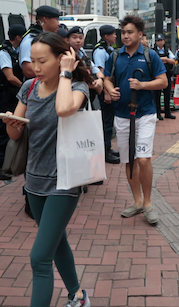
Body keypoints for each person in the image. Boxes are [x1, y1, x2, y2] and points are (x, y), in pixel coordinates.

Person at [0, 33, 94, 307]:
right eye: (33, 61)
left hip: (65, 181)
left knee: (40, 257)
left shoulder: (77, 87)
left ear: (62, 58)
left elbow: (64, 109)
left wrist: (66, 72)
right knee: (57, 242)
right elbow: (15, 136)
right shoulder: (29, 87)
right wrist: (11, 124)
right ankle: (78, 295)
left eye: (43, 61)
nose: (36, 68)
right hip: (34, 180)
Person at [104, 15, 168, 225]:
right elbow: (107, 78)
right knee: (129, 160)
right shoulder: (115, 56)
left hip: (145, 114)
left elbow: (163, 82)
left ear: (140, 34)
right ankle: (137, 201)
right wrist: (109, 90)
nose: (125, 36)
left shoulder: (150, 55)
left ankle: (148, 203)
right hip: (121, 116)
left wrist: (142, 86)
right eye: (123, 32)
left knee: (143, 158)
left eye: (130, 32)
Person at [0, 24, 26, 180]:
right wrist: (26, 87)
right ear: (18, 37)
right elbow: (10, 77)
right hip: (6, 94)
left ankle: (8, 164)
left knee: (13, 127)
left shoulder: (15, 51)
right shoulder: (4, 53)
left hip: (13, 94)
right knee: (3, 130)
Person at [92, 25, 120, 164]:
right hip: (105, 92)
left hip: (109, 89)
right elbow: (101, 73)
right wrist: (107, 93)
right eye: (113, 34)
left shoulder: (108, 49)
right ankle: (104, 151)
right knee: (106, 122)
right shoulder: (100, 51)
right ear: (106, 36)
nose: (116, 37)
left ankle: (108, 148)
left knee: (109, 121)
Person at [19, 5, 62, 79]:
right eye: (56, 19)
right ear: (45, 19)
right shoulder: (30, 39)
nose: (59, 24)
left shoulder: (49, 38)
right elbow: (28, 69)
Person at [67, 26, 103, 105]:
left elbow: (94, 68)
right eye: (74, 37)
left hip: (88, 92)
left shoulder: (82, 52)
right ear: (68, 39)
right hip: (74, 93)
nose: (78, 40)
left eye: (81, 38)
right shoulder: (67, 55)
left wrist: (100, 79)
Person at [153, 33, 177, 120]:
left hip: (167, 75)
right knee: (157, 95)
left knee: (167, 94)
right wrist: (163, 59)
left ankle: (168, 113)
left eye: (161, 40)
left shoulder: (168, 50)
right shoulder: (153, 51)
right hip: (157, 76)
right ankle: (158, 113)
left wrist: (166, 59)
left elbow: (173, 61)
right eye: (158, 41)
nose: (160, 43)